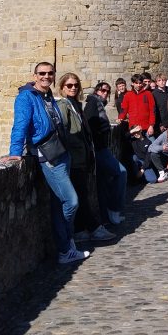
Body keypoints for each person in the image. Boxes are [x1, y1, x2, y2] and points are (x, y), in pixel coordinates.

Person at [1, 62, 90, 265]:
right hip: (48, 155)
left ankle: (66, 248)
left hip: (61, 153)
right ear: (34, 75)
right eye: (42, 73)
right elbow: (20, 124)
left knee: (59, 204)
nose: (46, 77)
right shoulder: (26, 97)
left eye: (50, 74)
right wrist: (15, 151)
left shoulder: (48, 96)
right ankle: (66, 242)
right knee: (71, 201)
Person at [55, 73, 117, 244]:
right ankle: (93, 228)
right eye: (69, 85)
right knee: (80, 195)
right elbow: (64, 132)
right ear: (62, 87)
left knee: (82, 193)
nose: (73, 87)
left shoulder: (75, 104)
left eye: (76, 85)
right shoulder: (63, 105)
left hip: (82, 156)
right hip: (74, 158)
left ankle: (80, 230)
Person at [85, 81, 127, 226]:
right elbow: (89, 125)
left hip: (102, 148)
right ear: (97, 91)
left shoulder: (98, 104)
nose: (105, 93)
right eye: (102, 90)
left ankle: (105, 216)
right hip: (98, 149)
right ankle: (114, 209)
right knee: (121, 172)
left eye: (108, 91)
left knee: (102, 184)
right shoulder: (92, 104)